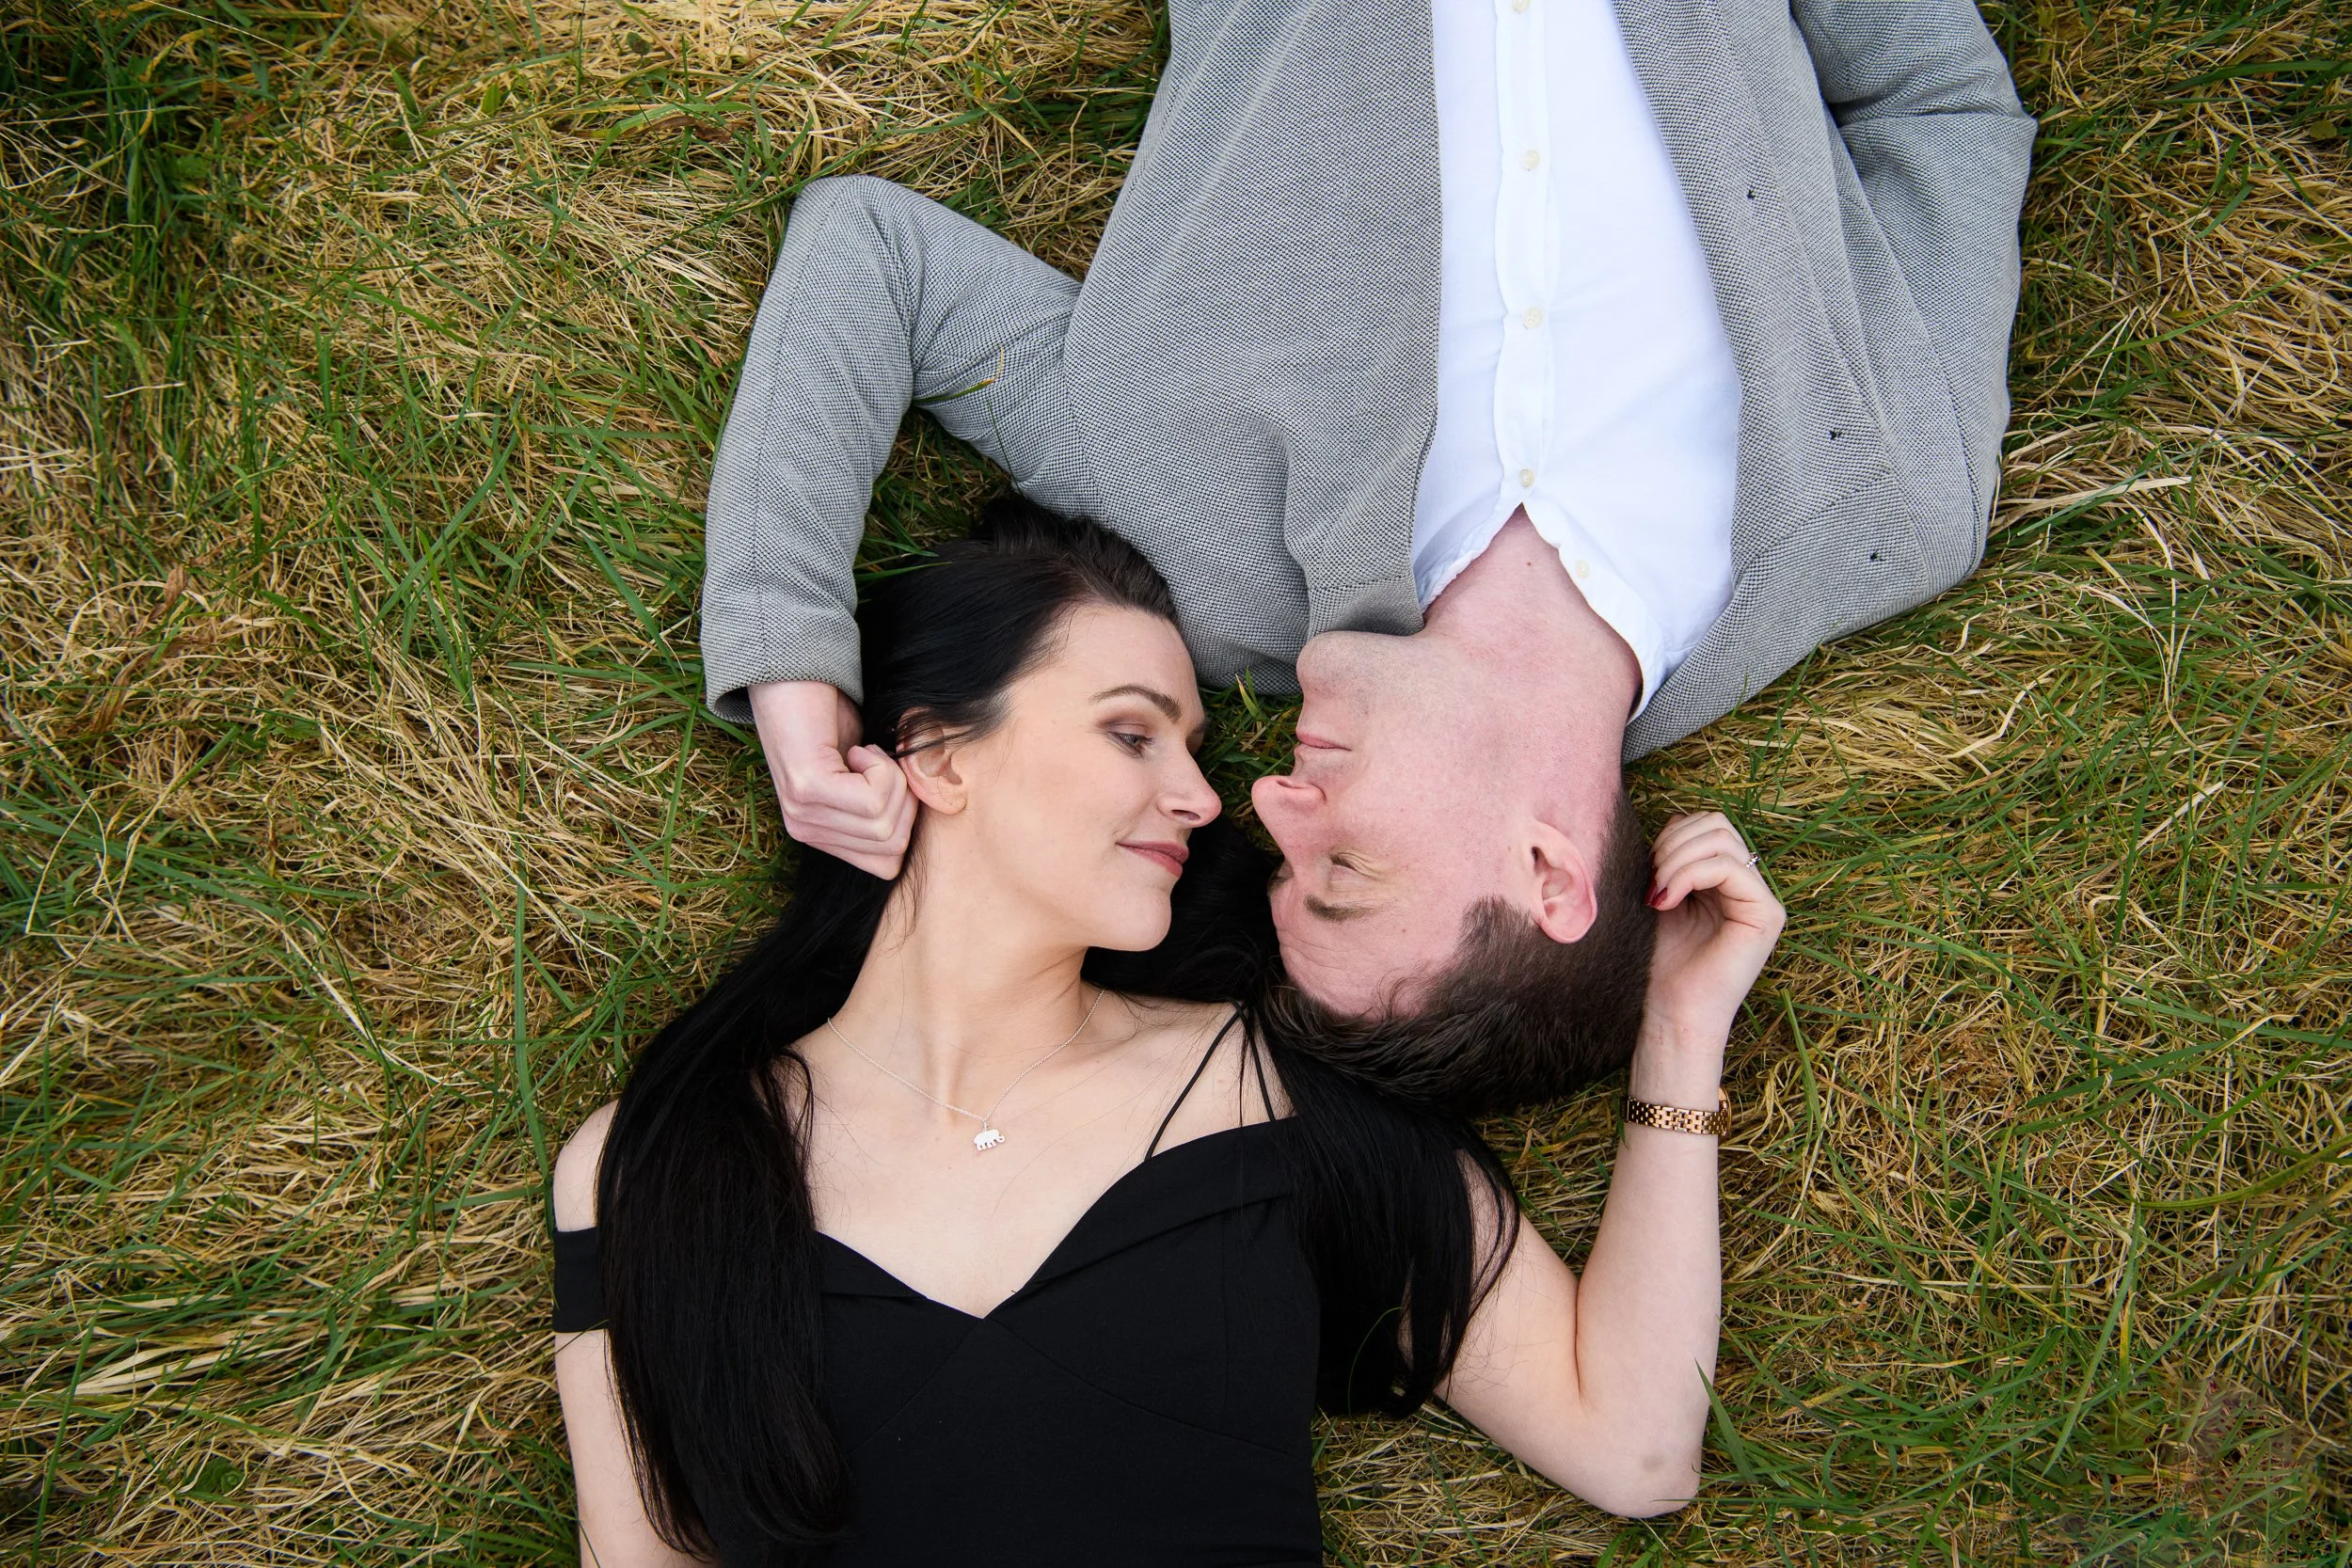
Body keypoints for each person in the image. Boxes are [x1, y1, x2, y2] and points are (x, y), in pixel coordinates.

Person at [692, 0, 2031, 1091]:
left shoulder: (1193, 539)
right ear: (1549, 872)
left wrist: (791, 668)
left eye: (1278, 859)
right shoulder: (1889, 504)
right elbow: (1941, 108)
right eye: (1341, 873)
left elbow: (877, 262)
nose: (1265, 801)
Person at [551, 509, 1784, 1564]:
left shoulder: (1267, 1097)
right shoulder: (655, 1167)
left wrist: (1677, 1027)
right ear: (932, 751)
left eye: (1192, 749)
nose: (1205, 797)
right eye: (1132, 732)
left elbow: (1635, 1445)